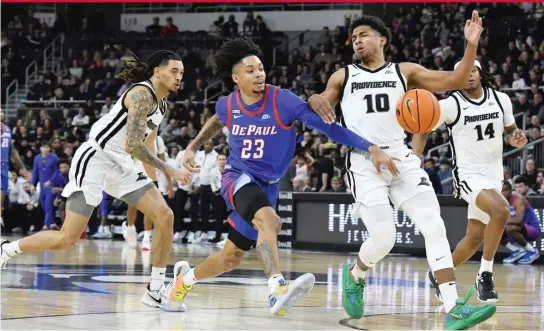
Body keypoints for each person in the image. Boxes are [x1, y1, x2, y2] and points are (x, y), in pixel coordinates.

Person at [175, 37, 398, 316]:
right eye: (250, 71)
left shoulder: (282, 100)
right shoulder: (227, 104)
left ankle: (183, 281)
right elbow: (218, 120)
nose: (258, 74)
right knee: (269, 220)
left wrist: (370, 147)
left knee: (229, 259)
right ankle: (277, 289)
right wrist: (192, 146)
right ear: (236, 78)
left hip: (268, 186)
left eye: (260, 69)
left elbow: (329, 128)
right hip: (238, 176)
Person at [308, 12, 496, 329]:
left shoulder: (404, 71)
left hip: (401, 157)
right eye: (354, 37)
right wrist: (315, 98)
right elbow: (321, 104)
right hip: (363, 162)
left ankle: (452, 308)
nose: (357, 40)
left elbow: (456, 81)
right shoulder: (343, 76)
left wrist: (470, 45)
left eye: (363, 34)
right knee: (385, 238)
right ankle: (355, 274)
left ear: (382, 40)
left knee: (434, 226)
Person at [0, 50, 191, 312]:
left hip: (122, 165)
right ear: (157, 71)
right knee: (67, 238)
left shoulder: (163, 105)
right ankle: (8, 249)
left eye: (181, 72)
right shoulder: (140, 95)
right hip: (95, 160)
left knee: (165, 216)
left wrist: (157, 181)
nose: (179, 77)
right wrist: (171, 170)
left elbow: (148, 144)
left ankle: (156, 291)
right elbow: (134, 145)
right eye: (174, 71)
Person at [412, 60, 527, 303]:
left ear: (481, 72)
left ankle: (440, 272)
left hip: (493, 175)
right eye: (464, 72)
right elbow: (421, 128)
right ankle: (485, 274)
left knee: (474, 238)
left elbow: (510, 132)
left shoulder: (500, 99)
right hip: (467, 175)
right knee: (502, 209)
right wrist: (416, 157)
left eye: (473, 70)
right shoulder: (450, 105)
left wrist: (516, 138)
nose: (470, 75)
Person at [124, 134, 173, 250]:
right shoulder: (134, 136)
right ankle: (130, 227)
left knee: (150, 209)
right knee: (132, 207)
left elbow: (162, 162)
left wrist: (170, 184)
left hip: (151, 178)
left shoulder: (158, 140)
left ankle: (146, 237)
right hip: (134, 176)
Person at [501, 181, 541, 264]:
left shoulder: (518, 198)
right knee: (491, 230)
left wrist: (501, 222)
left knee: (510, 227)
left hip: (532, 229)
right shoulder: (500, 201)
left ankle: (532, 251)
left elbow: (518, 220)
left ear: (510, 190)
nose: (502, 193)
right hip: (515, 229)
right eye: (500, 190)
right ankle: (516, 250)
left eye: (505, 190)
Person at [1, 114, 30, 227]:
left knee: (3, 192)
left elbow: (12, 150)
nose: (1, 113)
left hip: (4, 165)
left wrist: (22, 167)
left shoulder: (7, 129)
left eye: (2, 111)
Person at [31, 141, 60, 230]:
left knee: (48, 204)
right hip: (42, 185)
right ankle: (52, 223)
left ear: (49, 149)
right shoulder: (37, 158)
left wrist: (51, 181)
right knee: (44, 204)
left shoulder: (54, 157)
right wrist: (33, 184)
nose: (45, 149)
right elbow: (35, 171)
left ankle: (46, 225)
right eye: (43, 147)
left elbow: (56, 171)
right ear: (40, 149)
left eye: (47, 147)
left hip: (51, 185)